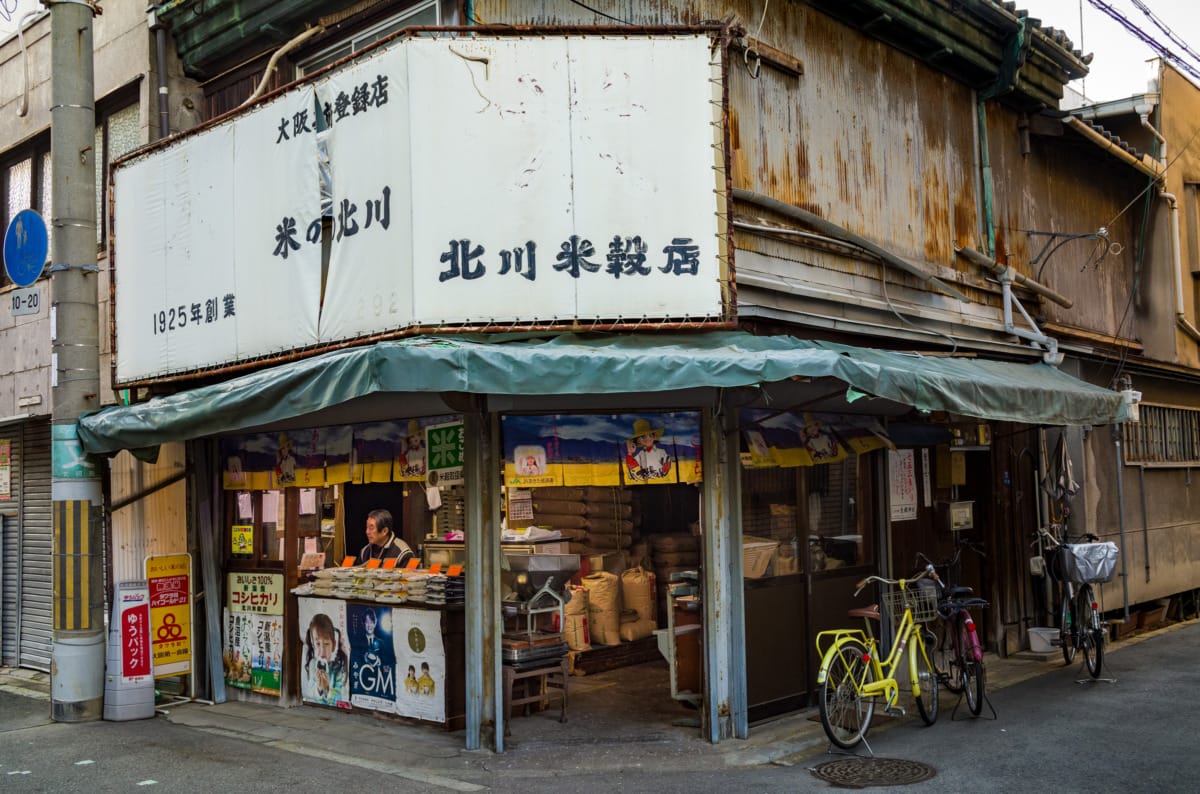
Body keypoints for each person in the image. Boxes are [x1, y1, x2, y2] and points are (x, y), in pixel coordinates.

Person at [303, 613, 348, 705]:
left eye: (326, 644)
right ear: (313, 645)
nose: (322, 650)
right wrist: (319, 689)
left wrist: (327, 690)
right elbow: (310, 694)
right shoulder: (312, 665)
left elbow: (339, 699)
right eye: (318, 644)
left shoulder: (338, 669)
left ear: (333, 645)